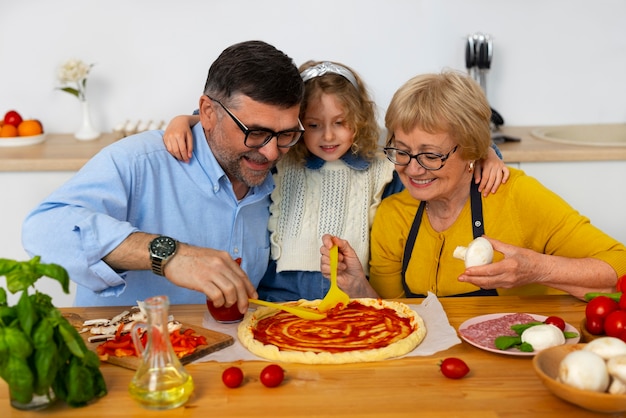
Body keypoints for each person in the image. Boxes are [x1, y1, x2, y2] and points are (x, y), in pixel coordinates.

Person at [164, 61, 509, 301]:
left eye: (340, 122)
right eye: (312, 125)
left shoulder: (382, 165)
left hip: (353, 297)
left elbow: (438, 144)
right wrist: (186, 120)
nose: (327, 136)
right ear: (295, 125)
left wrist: (488, 153)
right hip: (281, 298)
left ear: (358, 119)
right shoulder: (281, 160)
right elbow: (233, 126)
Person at [21, 40, 305, 310]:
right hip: (124, 352)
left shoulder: (284, 176)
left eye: (286, 134)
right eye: (255, 132)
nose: (270, 152)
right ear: (207, 112)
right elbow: (43, 229)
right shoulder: (139, 160)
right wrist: (169, 254)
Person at [319, 70, 626, 301]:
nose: (412, 168)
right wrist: (358, 286)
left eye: (430, 154)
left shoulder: (516, 197)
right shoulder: (394, 213)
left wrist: (538, 269)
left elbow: (620, 267)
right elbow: (396, 316)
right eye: (401, 150)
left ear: (471, 150)